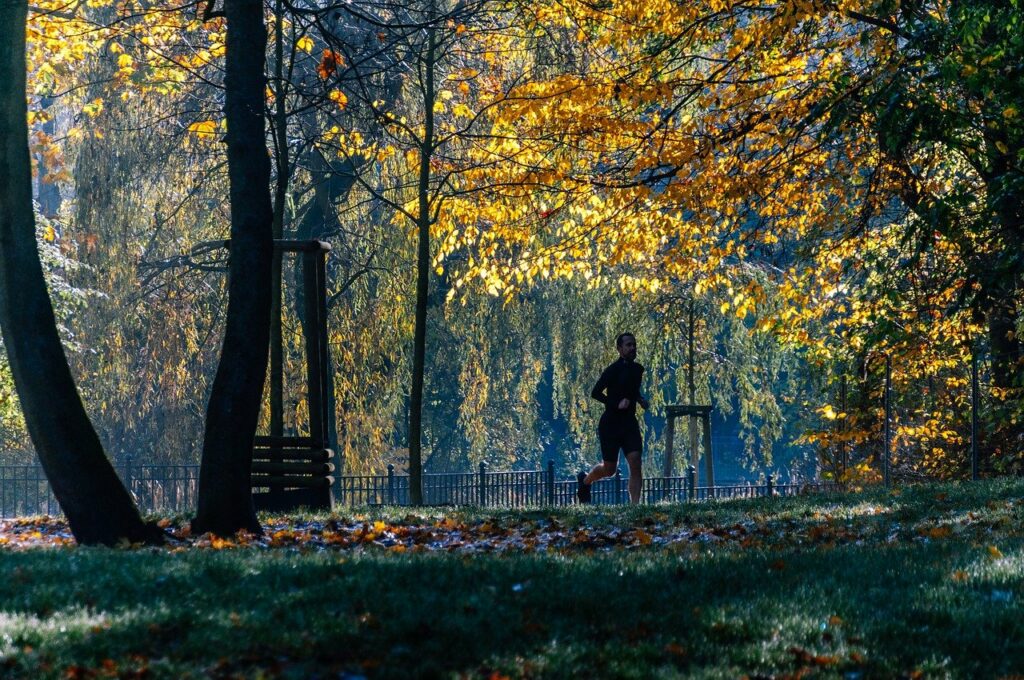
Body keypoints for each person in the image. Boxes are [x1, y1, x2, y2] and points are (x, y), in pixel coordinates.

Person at [578, 332, 648, 504]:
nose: (632, 348)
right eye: (628, 345)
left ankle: (634, 507)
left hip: (629, 423)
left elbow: (632, 389)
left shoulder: (638, 370)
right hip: (611, 424)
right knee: (610, 470)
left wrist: (639, 399)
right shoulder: (612, 370)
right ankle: (585, 481)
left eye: (634, 344)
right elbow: (595, 393)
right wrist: (616, 403)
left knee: (635, 462)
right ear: (619, 349)